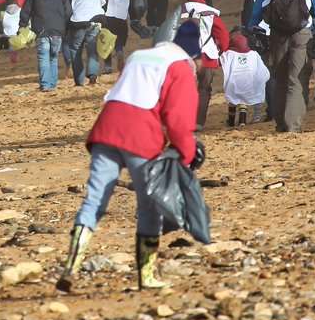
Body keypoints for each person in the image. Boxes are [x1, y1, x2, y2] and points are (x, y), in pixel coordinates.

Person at [56, 20, 205, 293]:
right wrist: (185, 155)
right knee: (148, 207)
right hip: (141, 136)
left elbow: (126, 91)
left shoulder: (139, 56)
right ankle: (146, 276)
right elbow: (178, 119)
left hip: (107, 129)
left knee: (95, 200)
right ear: (195, 54)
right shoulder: (180, 67)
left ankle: (71, 265)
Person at [248, 0, 315, 133]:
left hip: (278, 33)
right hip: (302, 33)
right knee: (297, 79)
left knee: (279, 78)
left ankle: (280, 124)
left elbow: (261, 1)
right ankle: (293, 126)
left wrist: (253, 24)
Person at [181, 0, 231, 129]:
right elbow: (222, 37)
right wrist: (222, 51)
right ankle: (198, 123)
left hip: (184, 57)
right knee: (204, 90)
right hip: (207, 56)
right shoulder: (211, 12)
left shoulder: (179, 11)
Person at [20, 0, 72, 91]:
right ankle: (52, 84)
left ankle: (45, 84)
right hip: (57, 31)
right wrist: (65, 27)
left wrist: (22, 26)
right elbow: (68, 13)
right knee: (53, 58)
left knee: (43, 57)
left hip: (41, 31)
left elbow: (25, 11)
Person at [65, 0, 108, 85]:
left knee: (75, 51)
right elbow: (105, 2)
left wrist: (67, 24)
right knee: (93, 50)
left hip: (78, 21)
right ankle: (93, 74)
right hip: (95, 21)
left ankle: (79, 81)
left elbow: (67, 8)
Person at [219, 32, 269, 127]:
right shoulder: (253, 54)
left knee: (232, 101)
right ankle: (242, 121)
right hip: (248, 81)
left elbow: (220, 61)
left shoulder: (229, 53)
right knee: (243, 101)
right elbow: (262, 68)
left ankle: (230, 122)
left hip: (233, 82)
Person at [100, 0, 131, 73]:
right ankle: (119, 51)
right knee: (120, 38)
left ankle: (108, 66)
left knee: (106, 40)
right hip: (121, 14)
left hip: (106, 15)